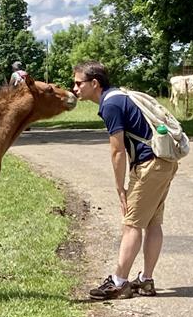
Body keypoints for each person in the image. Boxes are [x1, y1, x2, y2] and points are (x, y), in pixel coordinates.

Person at [73, 60, 178, 300]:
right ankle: (145, 280)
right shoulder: (121, 96)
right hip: (164, 161)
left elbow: (117, 150)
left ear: (94, 83)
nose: (75, 88)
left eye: (79, 83)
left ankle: (119, 282)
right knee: (152, 222)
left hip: (149, 165)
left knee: (132, 224)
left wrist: (120, 186)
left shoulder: (110, 105)